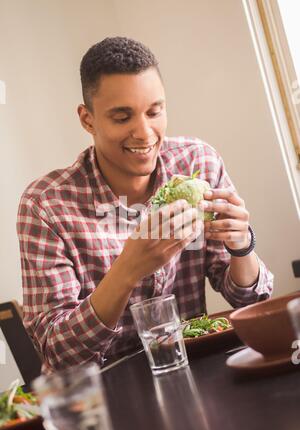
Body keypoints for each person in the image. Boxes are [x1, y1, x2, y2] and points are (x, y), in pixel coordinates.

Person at [17, 37, 273, 373]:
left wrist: (241, 246)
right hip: (104, 393)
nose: (145, 133)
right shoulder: (46, 205)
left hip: (190, 370)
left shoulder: (198, 162)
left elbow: (253, 303)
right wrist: (128, 268)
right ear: (88, 119)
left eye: (155, 111)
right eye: (122, 117)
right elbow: (59, 352)